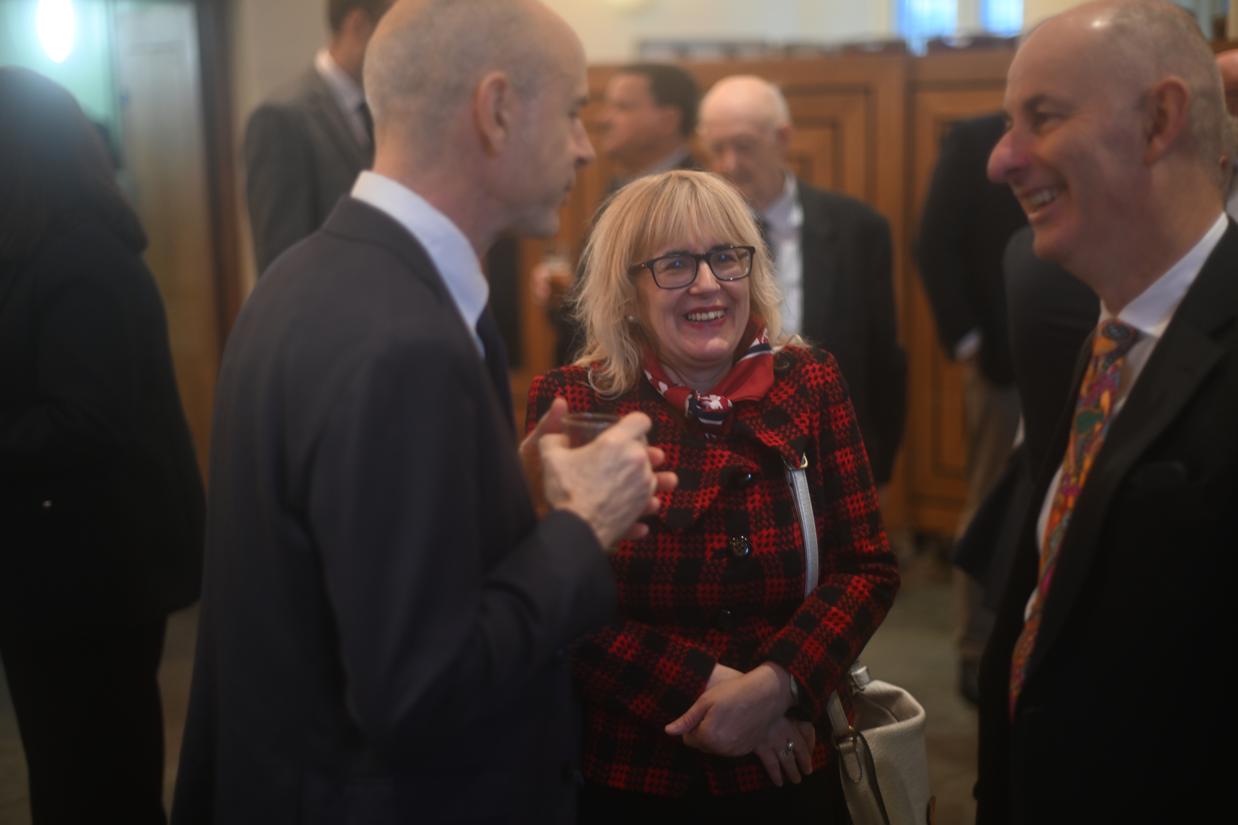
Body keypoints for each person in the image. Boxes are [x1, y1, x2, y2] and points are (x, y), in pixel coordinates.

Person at [171, 2, 674, 823]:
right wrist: (583, 527)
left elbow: (341, 557)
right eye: (573, 111)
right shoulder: (403, 340)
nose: (586, 146)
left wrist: (502, 488)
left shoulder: (303, 276)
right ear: (497, 108)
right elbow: (418, 690)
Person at [526, 170, 900, 821]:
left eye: (726, 257)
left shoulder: (811, 382)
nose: (708, 283)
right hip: (634, 774)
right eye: (675, 264)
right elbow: (554, 606)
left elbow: (866, 567)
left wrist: (776, 686)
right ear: (627, 292)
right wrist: (709, 688)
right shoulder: (576, 404)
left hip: (794, 763)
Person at [978, 2, 1238, 821]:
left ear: (1160, 120)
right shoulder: (1100, 335)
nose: (1001, 159)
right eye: (1008, 123)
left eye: (1043, 117)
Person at [0, 67, 204, 825]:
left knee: (97, 783)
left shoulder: (82, 260)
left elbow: (86, 419)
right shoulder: (38, 251)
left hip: (93, 575)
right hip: (60, 571)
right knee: (69, 774)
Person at [697, 75, 906, 486]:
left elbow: (883, 358)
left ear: (783, 139)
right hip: (725, 457)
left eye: (744, 146)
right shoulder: (692, 238)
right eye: (717, 149)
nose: (729, 164)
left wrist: (877, 470)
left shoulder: (858, 229)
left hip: (831, 451)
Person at [915, 112, 1028, 704]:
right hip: (1004, 363)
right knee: (990, 499)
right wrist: (969, 341)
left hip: (1096, 345)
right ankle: (976, 649)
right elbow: (933, 242)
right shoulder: (974, 138)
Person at [538, 62, 700, 366]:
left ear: (668, 120)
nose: (603, 119)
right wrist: (564, 298)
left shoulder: (701, 200)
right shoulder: (617, 189)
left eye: (622, 107)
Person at [243, 0, 392, 272]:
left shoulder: (383, 109)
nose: (400, 48)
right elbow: (280, 261)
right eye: (393, 32)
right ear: (358, 26)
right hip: (325, 295)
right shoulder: (280, 118)